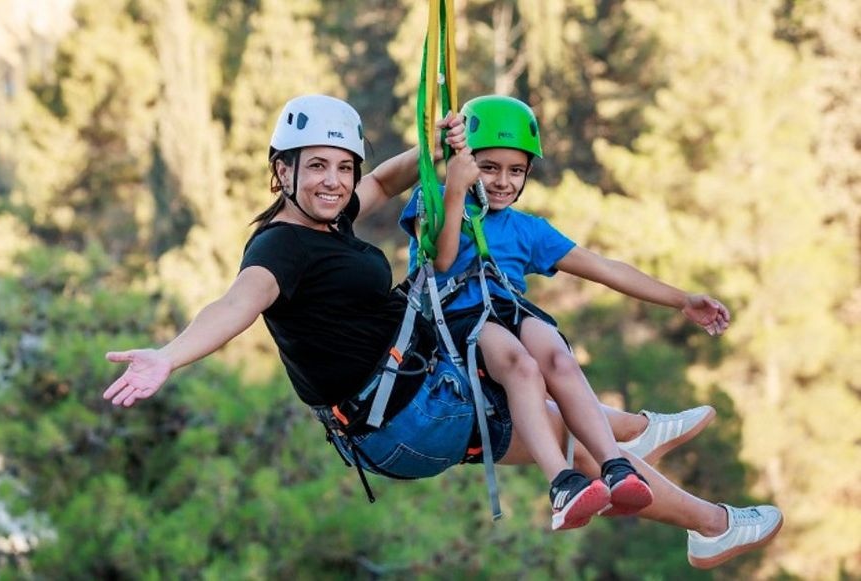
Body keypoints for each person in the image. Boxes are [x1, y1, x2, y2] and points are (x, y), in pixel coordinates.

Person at [102, 94, 782, 569]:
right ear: (281, 171)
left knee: (566, 422)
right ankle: (700, 510)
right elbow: (232, 306)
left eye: (341, 166)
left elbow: (389, 177)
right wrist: (169, 354)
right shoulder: (278, 251)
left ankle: (648, 444)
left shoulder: (331, 218)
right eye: (316, 167)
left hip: (419, 388)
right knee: (571, 441)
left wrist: (443, 142)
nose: (336, 181)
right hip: (409, 415)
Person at [399, 94, 780, 565]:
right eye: (489, 167)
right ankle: (562, 481)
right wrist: (455, 188)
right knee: (519, 363)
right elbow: (440, 257)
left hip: (507, 311)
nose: (501, 181)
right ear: (467, 161)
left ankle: (615, 464)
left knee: (553, 350)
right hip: (454, 326)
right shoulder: (432, 200)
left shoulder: (527, 230)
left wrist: (681, 299)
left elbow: (604, 268)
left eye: (515, 171)